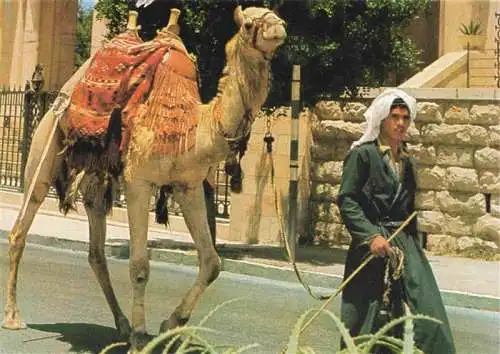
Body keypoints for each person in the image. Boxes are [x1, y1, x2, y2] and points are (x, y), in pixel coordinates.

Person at [337, 88, 456, 353]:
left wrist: (414, 249)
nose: (401, 123)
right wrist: (370, 236)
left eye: (405, 117)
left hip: (404, 245)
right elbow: (347, 200)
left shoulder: (408, 161)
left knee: (428, 311)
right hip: (371, 244)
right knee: (367, 316)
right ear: (382, 119)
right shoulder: (363, 155)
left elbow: (408, 209)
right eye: (395, 117)